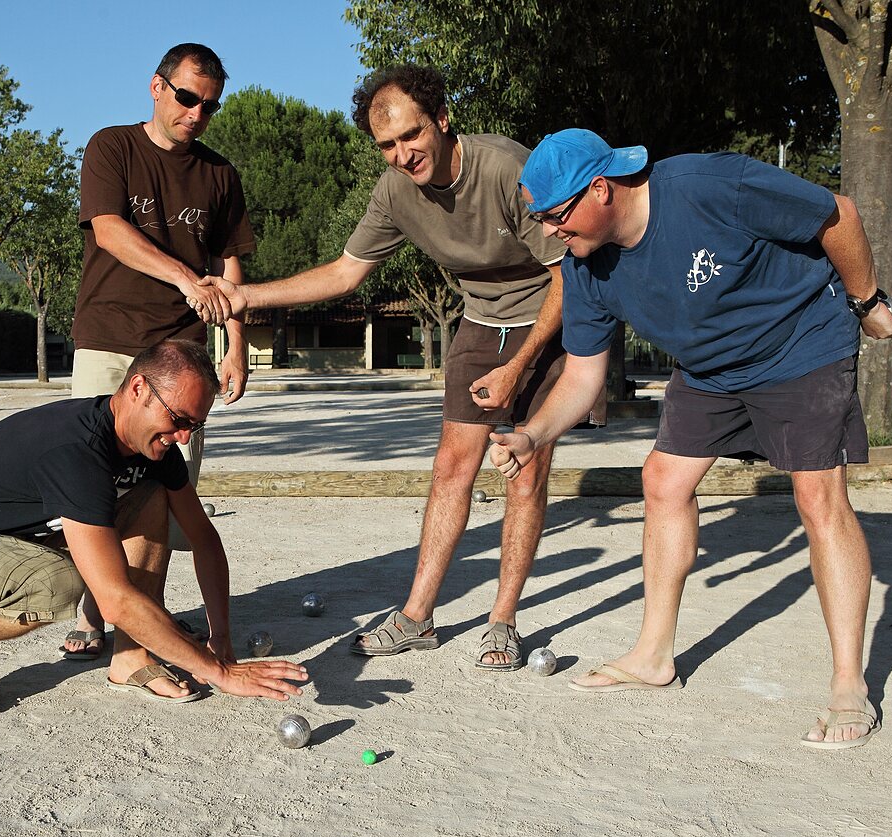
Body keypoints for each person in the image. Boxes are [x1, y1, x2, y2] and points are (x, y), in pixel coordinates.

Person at [489, 128, 892, 749]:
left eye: (555, 216)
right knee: (662, 479)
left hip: (800, 345)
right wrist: (533, 435)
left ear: (599, 190)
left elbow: (836, 213)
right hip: (709, 368)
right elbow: (582, 376)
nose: (550, 232)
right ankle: (655, 656)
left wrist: (867, 299)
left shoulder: (710, 186)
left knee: (818, 497)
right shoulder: (586, 266)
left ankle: (850, 682)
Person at [192, 65, 594, 671]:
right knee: (451, 468)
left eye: (412, 136)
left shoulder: (507, 168)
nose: (403, 155)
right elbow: (344, 273)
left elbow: (567, 277)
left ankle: (503, 621)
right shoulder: (394, 193)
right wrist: (249, 297)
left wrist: (517, 369)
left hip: (550, 319)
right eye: (387, 145)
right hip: (482, 322)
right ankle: (416, 616)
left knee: (524, 468)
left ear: (442, 120)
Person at [0, 340, 307, 716]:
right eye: (178, 419)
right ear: (138, 389)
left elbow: (205, 540)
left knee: (151, 495)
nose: (182, 438)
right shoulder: (76, 450)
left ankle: (131, 657)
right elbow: (112, 600)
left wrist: (223, 641)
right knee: (54, 584)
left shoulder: (150, 449)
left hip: (18, 539)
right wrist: (219, 673)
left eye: (194, 426)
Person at [64, 42, 254, 659]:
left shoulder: (221, 175)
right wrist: (182, 277)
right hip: (108, 340)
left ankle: (138, 624)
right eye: (187, 97)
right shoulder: (111, 146)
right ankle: (93, 611)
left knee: (164, 491)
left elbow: (229, 267)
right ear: (157, 86)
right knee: (92, 483)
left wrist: (236, 346)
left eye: (210, 106)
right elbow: (108, 229)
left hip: (182, 353)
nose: (197, 113)